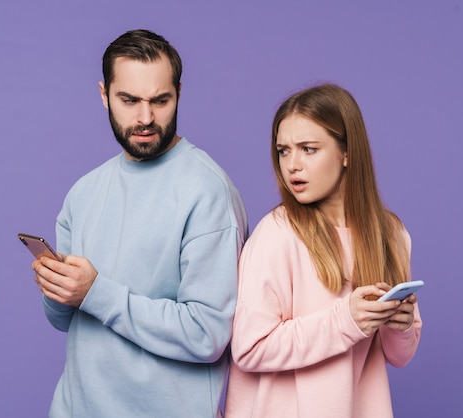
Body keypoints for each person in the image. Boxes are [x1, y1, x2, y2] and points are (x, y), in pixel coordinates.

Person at [31, 29, 249, 418]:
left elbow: (208, 335)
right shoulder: (83, 192)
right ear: (104, 95)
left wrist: (96, 293)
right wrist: (57, 288)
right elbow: (64, 321)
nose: (145, 118)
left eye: (160, 100)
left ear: (179, 93)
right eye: (129, 100)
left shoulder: (207, 192)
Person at [224, 84, 422, 418]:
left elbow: (400, 356)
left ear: (347, 153)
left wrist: (400, 326)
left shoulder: (392, 234)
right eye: (283, 151)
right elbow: (249, 348)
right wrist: (346, 320)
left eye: (308, 149)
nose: (292, 165)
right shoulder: (277, 233)